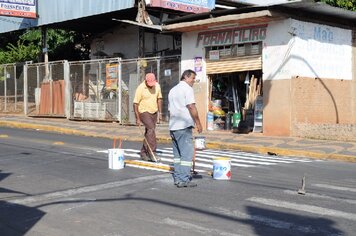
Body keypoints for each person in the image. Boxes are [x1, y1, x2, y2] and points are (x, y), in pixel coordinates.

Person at [168, 69, 202, 188]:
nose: (193, 81)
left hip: (173, 127)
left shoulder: (172, 90)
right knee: (187, 155)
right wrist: (198, 123)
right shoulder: (187, 89)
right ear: (186, 77)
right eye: (193, 78)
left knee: (177, 156)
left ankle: (178, 178)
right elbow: (191, 107)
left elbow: (170, 109)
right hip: (183, 126)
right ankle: (183, 180)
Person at [133, 73, 163, 162]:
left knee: (148, 132)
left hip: (154, 111)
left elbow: (159, 99)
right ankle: (152, 152)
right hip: (143, 111)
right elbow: (135, 104)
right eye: (149, 83)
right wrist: (137, 118)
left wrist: (160, 113)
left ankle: (143, 152)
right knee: (151, 129)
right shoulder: (140, 88)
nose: (151, 86)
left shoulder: (157, 86)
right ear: (146, 81)